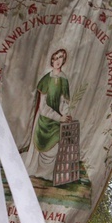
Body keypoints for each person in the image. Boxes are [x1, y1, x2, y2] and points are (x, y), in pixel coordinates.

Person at [22, 48, 73, 182]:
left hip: (58, 121)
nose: (57, 61)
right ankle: (37, 171)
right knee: (42, 147)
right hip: (45, 119)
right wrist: (57, 117)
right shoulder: (46, 79)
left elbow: (65, 101)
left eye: (60, 57)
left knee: (53, 150)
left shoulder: (64, 80)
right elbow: (43, 106)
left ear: (64, 60)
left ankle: (46, 173)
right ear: (52, 60)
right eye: (55, 58)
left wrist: (65, 115)